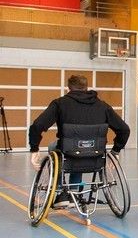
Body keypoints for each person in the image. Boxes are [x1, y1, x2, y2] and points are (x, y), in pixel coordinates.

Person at [29, 75, 130, 208]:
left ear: (69, 88)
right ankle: (75, 192)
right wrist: (116, 151)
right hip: (95, 154)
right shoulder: (102, 106)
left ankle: (61, 192)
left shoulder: (60, 104)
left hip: (69, 152)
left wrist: (34, 149)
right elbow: (124, 129)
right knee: (81, 148)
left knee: (60, 147)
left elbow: (37, 126)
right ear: (86, 87)